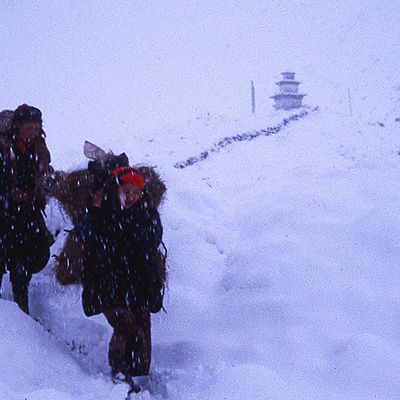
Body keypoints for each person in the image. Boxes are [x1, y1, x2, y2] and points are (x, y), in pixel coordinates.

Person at [75, 165, 164, 381]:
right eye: (127, 192)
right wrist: (95, 212)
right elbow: (87, 236)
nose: (131, 197)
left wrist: (145, 216)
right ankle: (120, 371)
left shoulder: (147, 212)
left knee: (142, 325)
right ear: (117, 191)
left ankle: (140, 374)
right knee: (125, 324)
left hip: (138, 281)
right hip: (108, 281)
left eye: (136, 192)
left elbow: (153, 239)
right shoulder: (100, 211)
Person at [0, 104, 53, 314]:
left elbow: (41, 175)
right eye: (27, 128)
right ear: (17, 126)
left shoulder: (38, 147)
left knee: (27, 260)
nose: (32, 132)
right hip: (4, 213)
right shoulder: (4, 147)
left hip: (27, 213)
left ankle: (22, 312)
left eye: (35, 128)